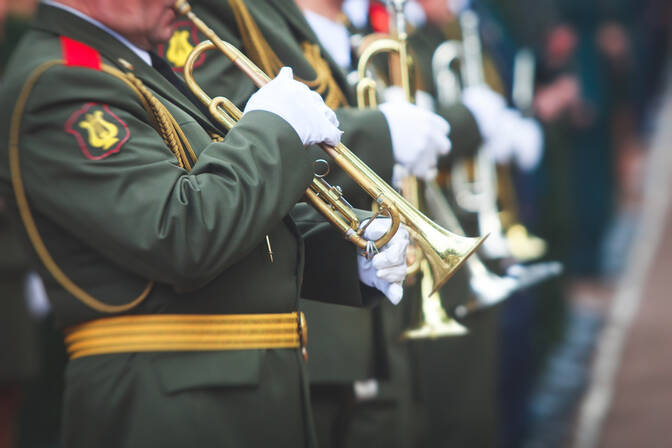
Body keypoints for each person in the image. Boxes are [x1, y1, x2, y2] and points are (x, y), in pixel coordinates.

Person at [0, 0, 412, 446]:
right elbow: (179, 234)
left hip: (242, 397)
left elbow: (232, 218)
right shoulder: (61, 80)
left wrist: (345, 249)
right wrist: (273, 128)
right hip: (166, 411)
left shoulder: (133, 65)